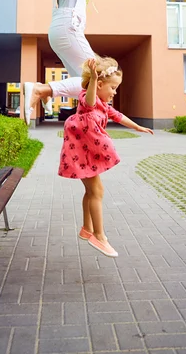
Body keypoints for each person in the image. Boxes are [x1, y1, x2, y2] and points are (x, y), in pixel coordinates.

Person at [58, 56, 154, 258]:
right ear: (99, 84)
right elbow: (90, 100)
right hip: (80, 154)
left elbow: (119, 116)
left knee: (91, 191)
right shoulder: (87, 99)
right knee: (97, 191)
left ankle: (86, 228)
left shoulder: (103, 105)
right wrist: (93, 79)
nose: (115, 92)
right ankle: (99, 237)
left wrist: (137, 127)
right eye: (112, 88)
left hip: (86, 153)